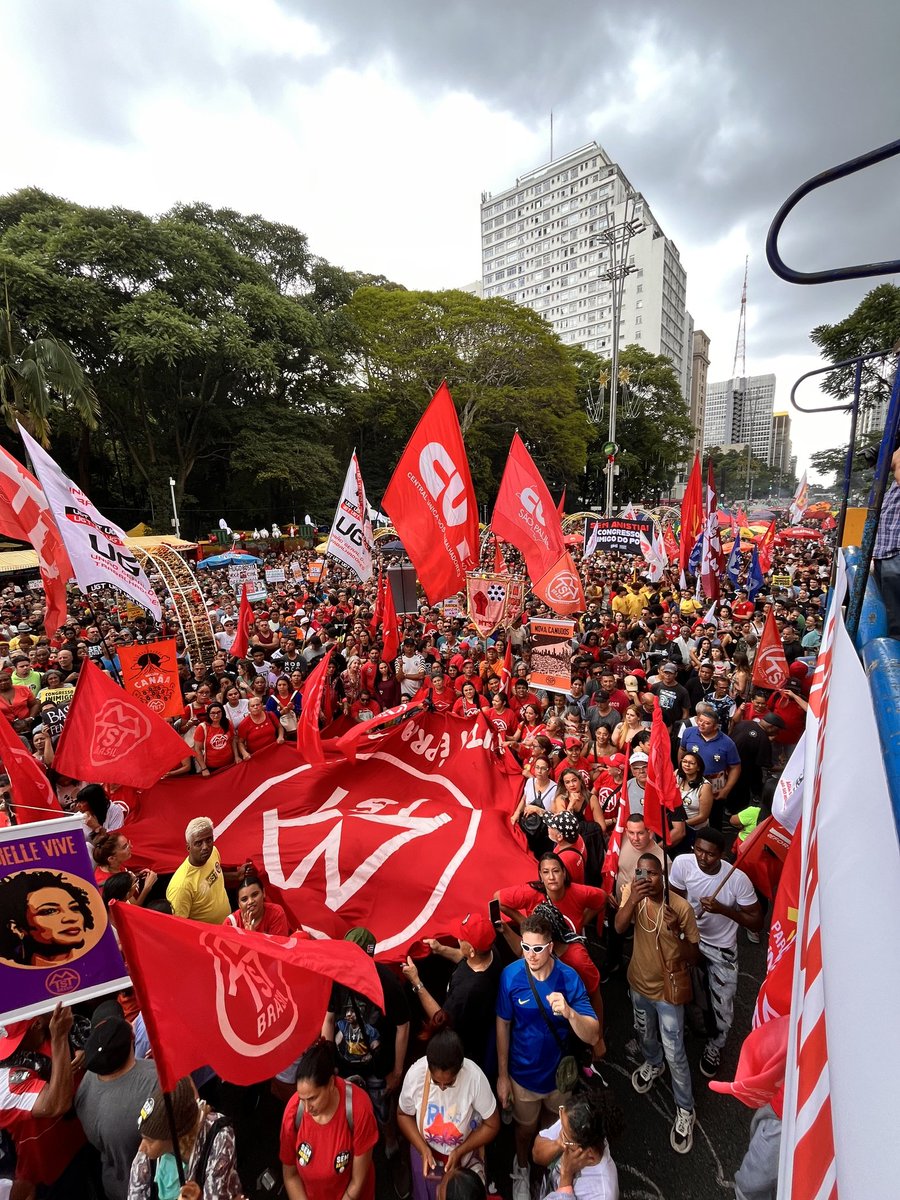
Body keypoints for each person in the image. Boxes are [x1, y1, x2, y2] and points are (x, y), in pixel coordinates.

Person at [496, 913, 600, 1200]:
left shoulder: (568, 979)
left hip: (559, 1078)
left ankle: (551, 1173)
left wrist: (569, 1012)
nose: (530, 955)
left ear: (551, 946)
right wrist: (503, 1076)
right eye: (526, 947)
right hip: (522, 1077)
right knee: (524, 1131)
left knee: (553, 1131)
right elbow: (502, 1024)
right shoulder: (511, 976)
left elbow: (592, 1034)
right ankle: (521, 1169)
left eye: (538, 948)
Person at [614, 854, 700, 1154]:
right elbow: (618, 928)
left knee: (675, 1052)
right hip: (638, 984)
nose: (644, 878)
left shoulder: (680, 907)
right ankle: (652, 1063)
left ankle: (685, 1109)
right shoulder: (633, 895)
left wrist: (676, 931)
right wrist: (631, 901)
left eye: (651, 873)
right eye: (640, 872)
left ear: (663, 876)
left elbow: (694, 955)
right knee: (645, 1034)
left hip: (667, 993)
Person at [669, 828, 763, 1079]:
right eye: (698, 849)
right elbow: (675, 899)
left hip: (721, 948)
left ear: (721, 854)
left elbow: (756, 922)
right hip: (690, 938)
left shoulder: (737, 879)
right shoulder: (681, 863)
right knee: (679, 988)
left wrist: (724, 910)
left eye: (710, 854)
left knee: (723, 1001)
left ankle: (715, 1045)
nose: (702, 857)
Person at [319, 928, 410, 1149]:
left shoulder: (388, 983)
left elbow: (403, 1027)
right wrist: (327, 1061)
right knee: (347, 1108)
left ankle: (390, 1141)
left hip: (378, 1068)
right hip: (344, 1066)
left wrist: (396, 1073)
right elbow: (329, 1019)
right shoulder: (335, 979)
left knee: (383, 1108)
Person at [398, 1029, 499, 1198]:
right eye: (436, 1082)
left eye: (450, 1083)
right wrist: (423, 1149)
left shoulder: (475, 1078)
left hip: (463, 1160)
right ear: (428, 1066)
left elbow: (492, 1124)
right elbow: (403, 1115)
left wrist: (460, 1151)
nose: (443, 1088)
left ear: (460, 1068)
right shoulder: (416, 1075)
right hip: (425, 1157)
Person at [75, 1003, 158, 1200]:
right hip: (155, 1185)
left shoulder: (86, 1082)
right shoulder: (155, 1078)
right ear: (132, 1038)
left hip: (115, 1185)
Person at [0, 1003, 85, 1192]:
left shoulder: (63, 1030)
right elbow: (55, 1104)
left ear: (37, 1025)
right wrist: (60, 1037)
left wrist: (83, 1048)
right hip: (49, 1171)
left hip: (81, 1138)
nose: (16, 1048)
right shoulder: (8, 1076)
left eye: (19, 1038)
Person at [279, 1038, 378, 1200]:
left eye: (312, 1098)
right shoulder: (293, 1112)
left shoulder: (358, 1109)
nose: (306, 1107)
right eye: (301, 1098)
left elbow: (357, 1182)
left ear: (331, 1083)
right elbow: (290, 1175)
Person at [404, 912, 502, 1067]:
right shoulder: (490, 952)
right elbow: (467, 960)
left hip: (465, 1049)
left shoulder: (468, 992)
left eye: (462, 938)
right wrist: (441, 949)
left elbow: (441, 1019)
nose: (458, 939)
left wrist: (416, 982)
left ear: (471, 949)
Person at [128, 1073, 242, 1199]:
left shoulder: (218, 1136)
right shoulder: (146, 1157)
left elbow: (216, 1195)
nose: (141, 1148)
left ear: (177, 1136)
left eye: (150, 1141)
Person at [532, 1091, 620, 1200]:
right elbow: (536, 1154)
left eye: (565, 1136)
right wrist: (558, 1144)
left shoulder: (602, 1195)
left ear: (590, 1153)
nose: (560, 1134)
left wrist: (566, 1176)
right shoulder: (572, 1121)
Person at [0, 868, 95, 967]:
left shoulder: (101, 964)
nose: (71, 918)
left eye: (74, 908)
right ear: (17, 928)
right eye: (50, 911)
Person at [678, 704, 741, 829]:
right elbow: (682, 750)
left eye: (706, 723)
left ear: (715, 726)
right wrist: (681, 770)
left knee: (714, 817)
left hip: (715, 783)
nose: (701, 724)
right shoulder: (689, 733)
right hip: (690, 781)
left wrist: (726, 790)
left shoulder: (727, 743)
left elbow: (735, 767)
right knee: (686, 810)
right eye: (700, 721)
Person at [165, 816, 231, 924]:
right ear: (188, 847)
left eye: (209, 840)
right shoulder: (181, 886)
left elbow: (215, 876)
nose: (205, 847)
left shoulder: (213, 852)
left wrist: (237, 875)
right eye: (199, 843)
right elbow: (179, 927)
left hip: (228, 927)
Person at [224, 866, 290, 935]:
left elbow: (278, 945)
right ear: (239, 904)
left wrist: (254, 936)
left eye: (255, 895)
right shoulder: (230, 923)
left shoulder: (276, 913)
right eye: (244, 899)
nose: (250, 901)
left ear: (264, 893)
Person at [192, 702, 238, 774]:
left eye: (219, 712)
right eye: (213, 713)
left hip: (230, 763)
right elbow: (197, 749)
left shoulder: (227, 723)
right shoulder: (202, 727)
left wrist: (237, 756)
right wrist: (204, 768)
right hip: (212, 768)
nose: (216, 715)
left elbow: (233, 740)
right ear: (208, 714)